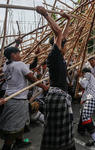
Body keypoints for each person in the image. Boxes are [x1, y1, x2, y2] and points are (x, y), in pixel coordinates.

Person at [36, 6, 76, 150]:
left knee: (63, 131)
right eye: (66, 44)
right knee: (56, 132)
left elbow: (62, 34)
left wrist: (69, 19)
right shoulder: (54, 55)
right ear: (60, 46)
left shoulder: (60, 56)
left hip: (59, 96)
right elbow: (58, 33)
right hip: (56, 97)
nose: (68, 46)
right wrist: (46, 15)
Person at [0, 46, 49, 150]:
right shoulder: (19, 64)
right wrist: (44, 86)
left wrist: (36, 55)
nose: (20, 56)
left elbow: (32, 65)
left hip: (11, 97)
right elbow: (31, 78)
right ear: (13, 55)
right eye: (18, 54)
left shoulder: (6, 65)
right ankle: (6, 147)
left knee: (22, 121)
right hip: (17, 99)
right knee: (14, 125)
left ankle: (19, 142)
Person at [77, 68, 95, 147]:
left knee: (86, 116)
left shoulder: (87, 74)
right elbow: (87, 89)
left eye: (82, 73)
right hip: (92, 97)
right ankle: (93, 125)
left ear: (83, 72)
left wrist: (80, 77)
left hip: (92, 97)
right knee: (82, 112)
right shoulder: (90, 77)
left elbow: (84, 84)